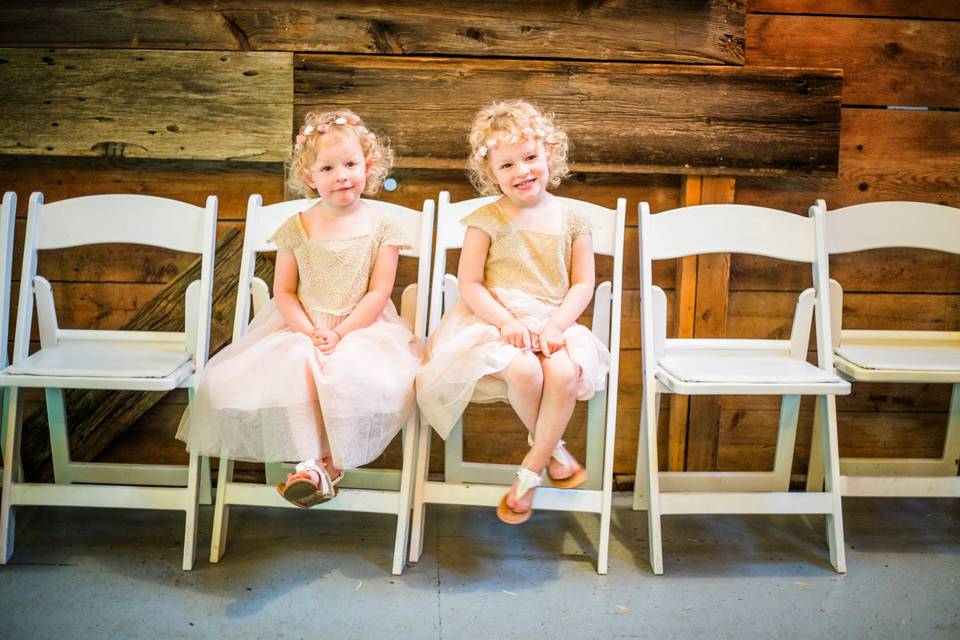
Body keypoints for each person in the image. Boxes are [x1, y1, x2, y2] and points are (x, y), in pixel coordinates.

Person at [177, 110, 418, 508]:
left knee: (346, 371)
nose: (342, 175)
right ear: (310, 176)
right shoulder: (297, 226)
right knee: (293, 362)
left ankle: (320, 467)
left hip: (364, 328)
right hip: (301, 325)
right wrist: (310, 330)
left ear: (368, 165)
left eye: (351, 164)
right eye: (328, 167)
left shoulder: (382, 225)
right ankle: (316, 465)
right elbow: (285, 292)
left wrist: (340, 333)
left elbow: (379, 293)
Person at [416, 100, 610, 524]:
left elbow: (582, 283)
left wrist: (558, 325)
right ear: (490, 173)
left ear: (550, 155)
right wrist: (505, 321)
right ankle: (554, 450)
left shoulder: (574, 219)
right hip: (493, 319)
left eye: (530, 158)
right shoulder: (485, 219)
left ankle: (529, 473)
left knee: (562, 372)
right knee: (525, 371)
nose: (521, 171)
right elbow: (470, 283)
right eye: (506, 165)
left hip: (554, 319)